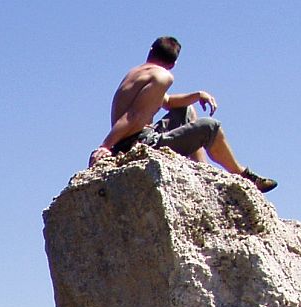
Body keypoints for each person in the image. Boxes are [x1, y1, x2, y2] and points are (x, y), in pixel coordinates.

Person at [89, 36, 276, 192]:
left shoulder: (137, 72)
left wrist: (197, 95)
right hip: (137, 143)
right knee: (211, 127)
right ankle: (242, 174)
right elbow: (134, 116)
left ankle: (202, 170)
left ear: (150, 50)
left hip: (133, 138)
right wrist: (105, 146)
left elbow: (168, 102)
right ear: (173, 64)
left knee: (186, 110)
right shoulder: (162, 76)